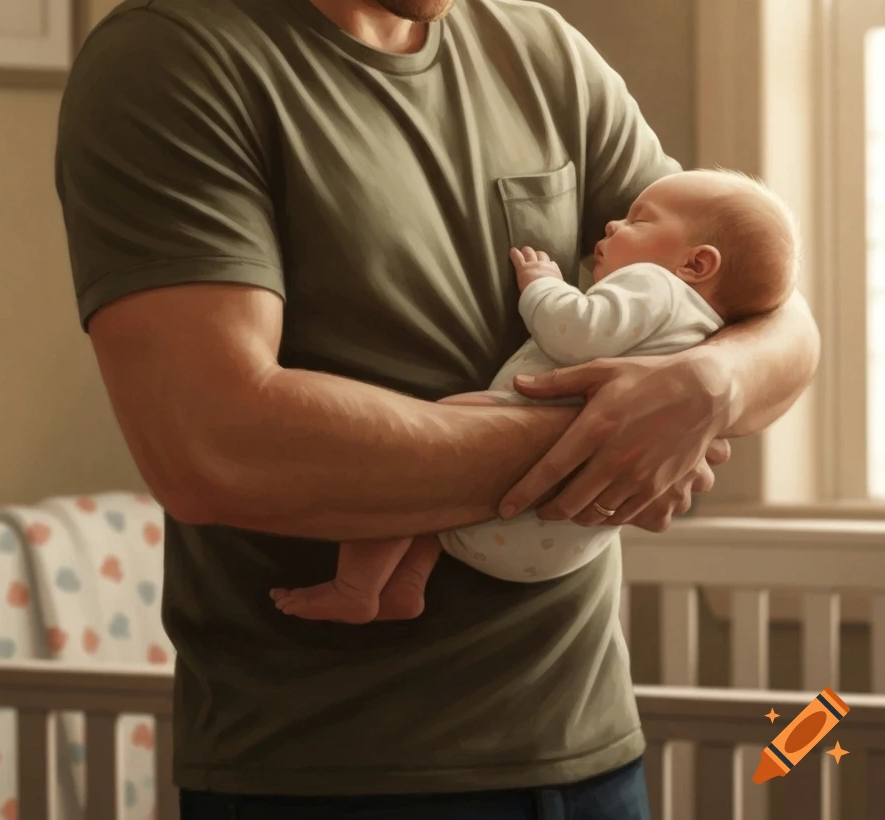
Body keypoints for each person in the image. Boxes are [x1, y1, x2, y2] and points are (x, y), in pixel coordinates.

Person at [54, 0, 820, 820]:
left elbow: (770, 313)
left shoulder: (545, 58)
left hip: (589, 750)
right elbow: (213, 442)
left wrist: (704, 390)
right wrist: (603, 442)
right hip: (332, 776)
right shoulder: (175, 66)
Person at [270, 168, 801, 623]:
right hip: (562, 542)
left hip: (530, 451)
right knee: (428, 510)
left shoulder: (656, 285)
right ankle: (406, 587)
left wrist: (542, 284)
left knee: (411, 455)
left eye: (639, 220)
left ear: (696, 265)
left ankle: (357, 588)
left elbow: (574, 331)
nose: (613, 223)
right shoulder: (703, 327)